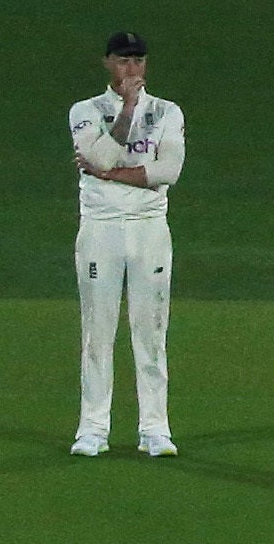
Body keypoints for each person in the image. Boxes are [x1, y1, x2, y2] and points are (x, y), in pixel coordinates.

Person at [66, 32, 186, 456]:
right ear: (107, 63)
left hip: (149, 229)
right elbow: (96, 157)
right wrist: (128, 111)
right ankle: (93, 429)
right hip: (100, 229)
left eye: (138, 60)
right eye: (123, 60)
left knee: (150, 328)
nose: (131, 68)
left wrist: (110, 173)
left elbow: (167, 170)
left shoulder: (168, 112)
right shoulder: (86, 111)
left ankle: (155, 429)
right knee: (98, 330)